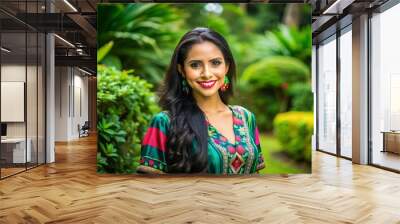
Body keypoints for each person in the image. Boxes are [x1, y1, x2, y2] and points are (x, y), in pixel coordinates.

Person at [137, 27, 265, 174]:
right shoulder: (165, 122)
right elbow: (150, 188)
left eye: (215, 63)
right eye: (195, 65)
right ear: (182, 70)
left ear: (227, 67)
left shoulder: (246, 118)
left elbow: (255, 176)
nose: (206, 73)